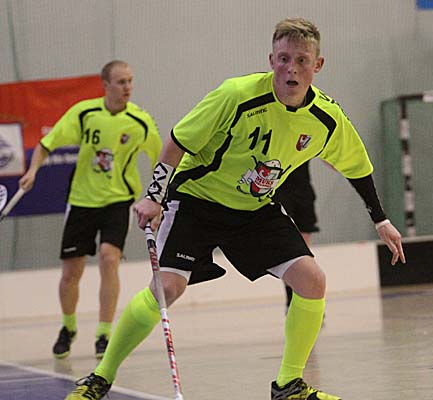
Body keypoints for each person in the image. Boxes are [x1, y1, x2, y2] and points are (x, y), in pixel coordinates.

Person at [64, 18, 405, 400]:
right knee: (167, 288)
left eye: (302, 61)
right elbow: (177, 140)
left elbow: (356, 166)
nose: (291, 69)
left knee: (312, 280)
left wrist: (381, 219)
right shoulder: (236, 95)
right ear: (271, 60)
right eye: (283, 59)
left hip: (253, 208)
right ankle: (100, 378)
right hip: (197, 200)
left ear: (318, 65)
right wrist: (154, 196)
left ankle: (288, 386)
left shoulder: (326, 119)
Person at [19, 60, 162, 360]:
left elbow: (161, 159)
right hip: (82, 200)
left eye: (130, 81)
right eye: (121, 82)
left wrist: (159, 198)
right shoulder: (84, 113)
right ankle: (68, 327)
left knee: (109, 258)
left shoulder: (140, 121)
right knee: (71, 272)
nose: (127, 87)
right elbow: (47, 143)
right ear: (105, 85)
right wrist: (32, 171)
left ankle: (103, 333)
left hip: (118, 200)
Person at [272, 160, 319, 312]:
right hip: (279, 189)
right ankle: (292, 299)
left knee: (305, 250)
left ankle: (308, 299)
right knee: (289, 251)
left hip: (303, 189)